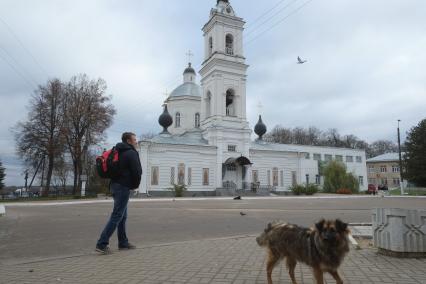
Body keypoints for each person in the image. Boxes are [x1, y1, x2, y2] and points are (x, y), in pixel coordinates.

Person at [96, 132, 142, 254]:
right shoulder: (131, 153)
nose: (136, 142)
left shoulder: (117, 150)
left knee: (122, 215)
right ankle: (102, 243)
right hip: (123, 186)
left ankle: (123, 242)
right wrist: (135, 185)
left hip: (115, 185)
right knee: (117, 215)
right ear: (128, 141)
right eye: (134, 139)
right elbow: (137, 171)